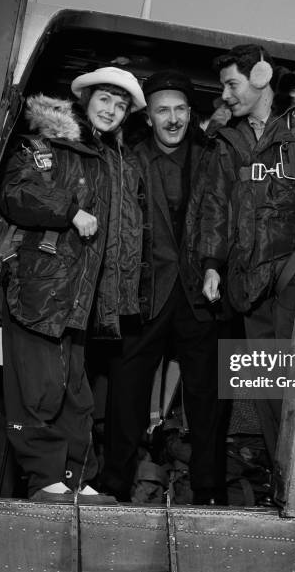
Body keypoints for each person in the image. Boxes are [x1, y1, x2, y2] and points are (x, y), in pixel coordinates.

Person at [0, 67, 146, 504]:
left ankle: (75, 480)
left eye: (120, 106)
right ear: (84, 100)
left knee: (75, 393)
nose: (112, 110)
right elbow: (14, 192)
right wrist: (69, 210)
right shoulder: (48, 143)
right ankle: (45, 481)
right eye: (105, 100)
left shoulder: (113, 159)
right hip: (40, 285)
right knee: (40, 387)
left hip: (80, 294)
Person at [100, 70, 229, 505]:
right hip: (144, 293)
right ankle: (114, 483)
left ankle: (210, 489)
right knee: (126, 391)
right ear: (149, 117)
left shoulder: (210, 157)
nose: (172, 119)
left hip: (196, 294)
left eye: (179, 110)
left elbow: (214, 214)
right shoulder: (130, 158)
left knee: (206, 397)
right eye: (162, 111)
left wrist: (213, 266)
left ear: (191, 114)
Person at [200, 45, 295, 476]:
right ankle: (282, 478)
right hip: (249, 285)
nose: (226, 96)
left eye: (232, 84)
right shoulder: (228, 141)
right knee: (268, 390)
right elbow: (214, 206)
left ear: (261, 77)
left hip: (294, 280)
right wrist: (212, 263)